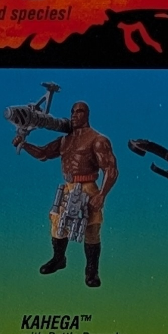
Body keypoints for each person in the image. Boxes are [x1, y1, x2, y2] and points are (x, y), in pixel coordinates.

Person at [20, 100, 117, 287]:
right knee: (57, 223)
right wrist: (24, 144)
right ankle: (58, 259)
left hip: (88, 187)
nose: (74, 115)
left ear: (86, 115)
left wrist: (102, 195)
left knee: (91, 228)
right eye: (72, 111)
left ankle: (91, 271)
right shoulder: (65, 140)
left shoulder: (98, 140)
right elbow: (43, 154)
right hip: (68, 187)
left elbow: (111, 169)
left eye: (79, 111)